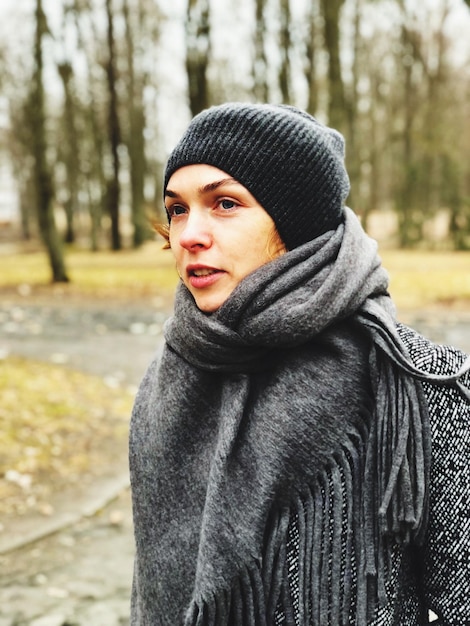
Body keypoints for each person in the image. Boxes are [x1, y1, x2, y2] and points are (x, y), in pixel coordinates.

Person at [129, 103, 470, 625]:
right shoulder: (173, 375)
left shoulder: (415, 385)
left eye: (224, 203)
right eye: (178, 209)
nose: (188, 234)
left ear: (297, 222)